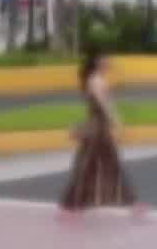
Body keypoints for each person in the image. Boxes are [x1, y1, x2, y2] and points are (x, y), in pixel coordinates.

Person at [58, 49, 146, 219]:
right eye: (106, 59)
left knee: (98, 166)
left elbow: (107, 104)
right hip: (97, 130)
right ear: (99, 62)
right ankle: (71, 205)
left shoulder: (97, 80)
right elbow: (105, 105)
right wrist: (118, 123)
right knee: (91, 167)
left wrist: (115, 122)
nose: (110, 61)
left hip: (100, 128)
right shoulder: (96, 81)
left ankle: (132, 203)